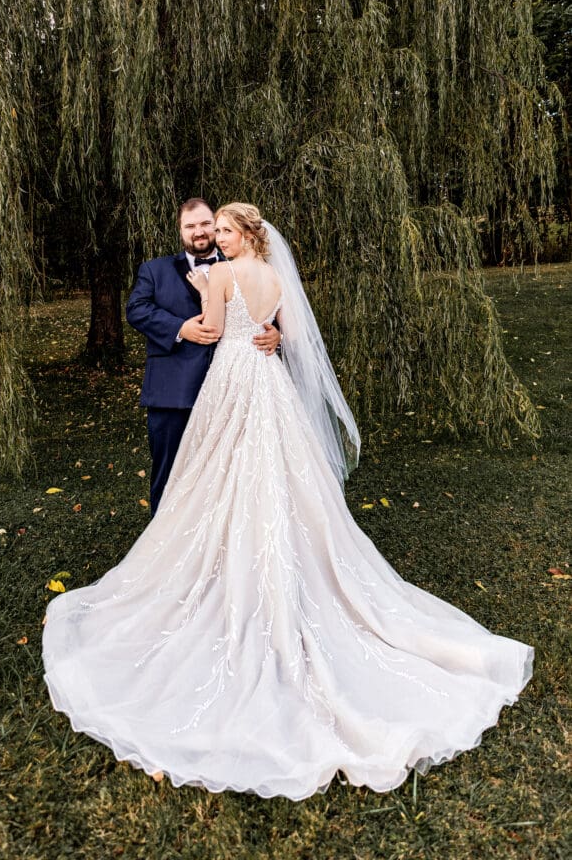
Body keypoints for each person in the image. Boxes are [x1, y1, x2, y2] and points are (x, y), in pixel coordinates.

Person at [43, 203, 533, 799]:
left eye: (223, 230)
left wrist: (205, 287)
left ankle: (220, 560)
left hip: (231, 380)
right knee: (276, 473)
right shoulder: (276, 276)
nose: (215, 238)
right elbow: (292, 336)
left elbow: (217, 329)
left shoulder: (219, 273)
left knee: (218, 471)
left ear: (243, 234)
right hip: (267, 384)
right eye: (210, 231)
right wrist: (268, 331)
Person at [125, 198, 280, 516]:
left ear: (218, 225)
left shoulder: (243, 267)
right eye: (190, 226)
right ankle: (163, 539)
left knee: (234, 473)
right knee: (170, 471)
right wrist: (180, 328)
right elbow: (136, 310)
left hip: (237, 391)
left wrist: (275, 334)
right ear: (181, 230)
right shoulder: (155, 270)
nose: (199, 232)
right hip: (173, 391)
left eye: (206, 224)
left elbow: (264, 315)